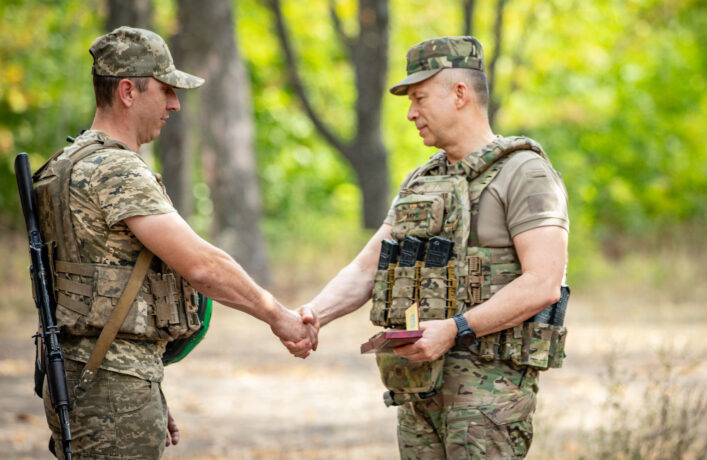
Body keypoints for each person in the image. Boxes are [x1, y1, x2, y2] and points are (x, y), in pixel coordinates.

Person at [35, 26, 317, 459]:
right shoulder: (116, 170)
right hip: (109, 383)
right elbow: (202, 265)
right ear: (128, 91)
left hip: (88, 375)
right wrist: (277, 315)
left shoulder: (65, 165)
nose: (174, 103)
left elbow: (99, 287)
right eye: (165, 90)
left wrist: (145, 388)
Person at [284, 36, 569, 458]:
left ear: (460, 94)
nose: (411, 113)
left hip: (488, 397)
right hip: (419, 388)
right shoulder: (421, 182)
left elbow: (543, 283)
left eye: (419, 97)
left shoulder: (525, 173)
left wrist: (455, 330)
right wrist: (314, 314)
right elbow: (368, 267)